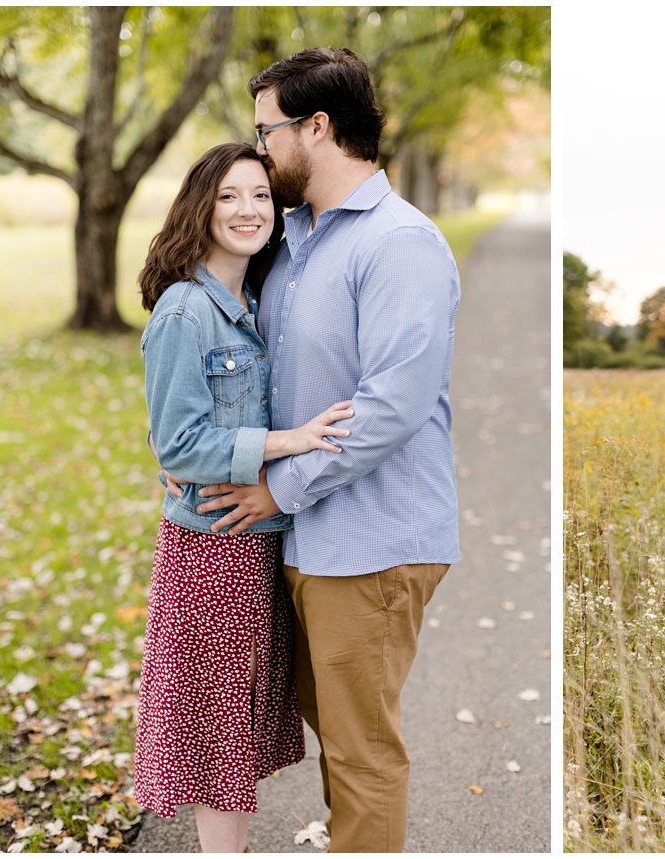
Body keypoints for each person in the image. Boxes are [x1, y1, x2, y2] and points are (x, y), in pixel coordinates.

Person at [188, 46, 462, 853]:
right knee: (335, 736)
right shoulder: (297, 239)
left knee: (360, 752)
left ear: (317, 127)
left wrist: (279, 488)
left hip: (368, 541)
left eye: (267, 130)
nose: (260, 147)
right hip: (309, 535)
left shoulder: (401, 243)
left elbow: (391, 407)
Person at [131, 141, 355, 852]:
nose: (248, 209)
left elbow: (185, 427)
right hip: (211, 552)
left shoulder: (252, 302)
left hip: (257, 546)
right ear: (201, 206)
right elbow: (179, 443)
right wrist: (290, 441)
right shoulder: (183, 312)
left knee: (237, 727)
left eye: (261, 195)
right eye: (229, 195)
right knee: (216, 735)